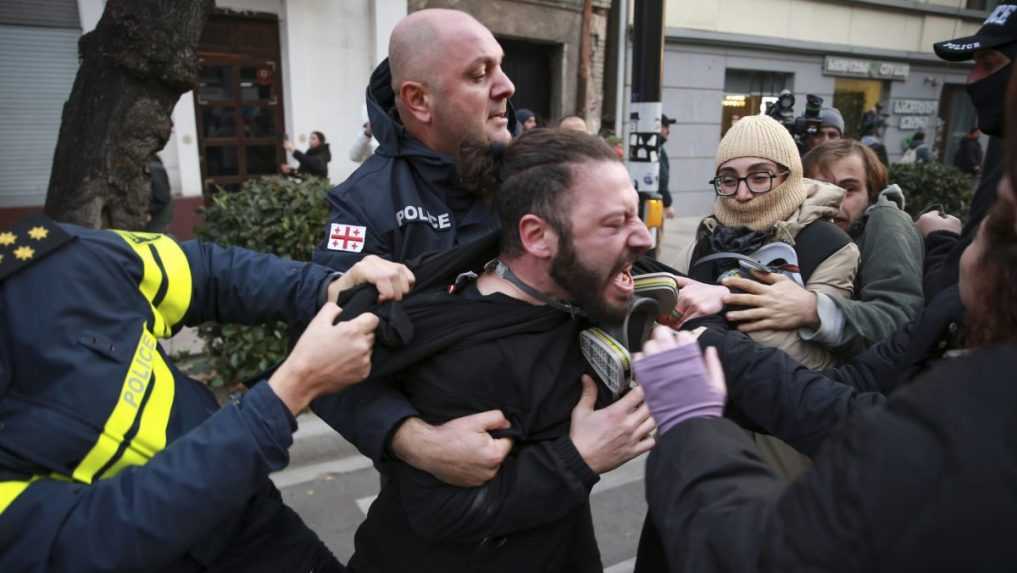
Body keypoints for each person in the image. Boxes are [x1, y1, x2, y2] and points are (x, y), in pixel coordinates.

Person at [633, 158, 1017, 573]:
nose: (743, 192)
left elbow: (765, 548)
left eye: (995, 219)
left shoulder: (969, 429)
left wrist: (693, 422)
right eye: (728, 179)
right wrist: (716, 317)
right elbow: (852, 383)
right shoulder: (949, 314)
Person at [0, 216, 415, 572]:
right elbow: (92, 540)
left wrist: (324, 289)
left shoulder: (46, 262)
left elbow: (202, 272)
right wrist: (290, 389)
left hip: (250, 521)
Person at [326, 128, 656, 571]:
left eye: (636, 216)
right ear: (537, 237)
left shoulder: (569, 288)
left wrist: (695, 292)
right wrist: (578, 459)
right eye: (615, 222)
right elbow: (442, 512)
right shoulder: (470, 355)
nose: (646, 239)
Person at [310, 8, 522, 489]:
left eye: (501, 65)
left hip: (556, 495)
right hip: (437, 506)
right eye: (479, 73)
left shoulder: (532, 178)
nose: (507, 85)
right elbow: (322, 355)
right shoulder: (363, 205)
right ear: (419, 101)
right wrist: (416, 441)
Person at [675, 114, 859, 371]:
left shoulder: (830, 248)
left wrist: (726, 308)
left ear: (789, 176)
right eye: (728, 180)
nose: (742, 194)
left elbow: (825, 366)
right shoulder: (703, 243)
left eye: (759, 178)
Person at [720, 140, 924, 356]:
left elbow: (901, 321)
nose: (836, 200)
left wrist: (812, 309)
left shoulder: (886, 221)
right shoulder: (803, 227)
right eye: (823, 189)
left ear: (871, 193)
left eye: (850, 189)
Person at [919, 4, 1015, 299]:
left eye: (988, 64)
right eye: (974, 65)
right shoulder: (1005, 142)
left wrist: (939, 238)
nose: (972, 80)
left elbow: (955, 293)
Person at [146, 154, 173, 233]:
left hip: (159, 211)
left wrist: (147, 211)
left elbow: (162, 197)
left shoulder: (154, 168)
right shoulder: (155, 166)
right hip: (159, 208)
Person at [659, 114, 676, 219]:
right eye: (666, 127)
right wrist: (667, 203)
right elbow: (661, 179)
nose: (668, 131)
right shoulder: (655, 149)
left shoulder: (658, 148)